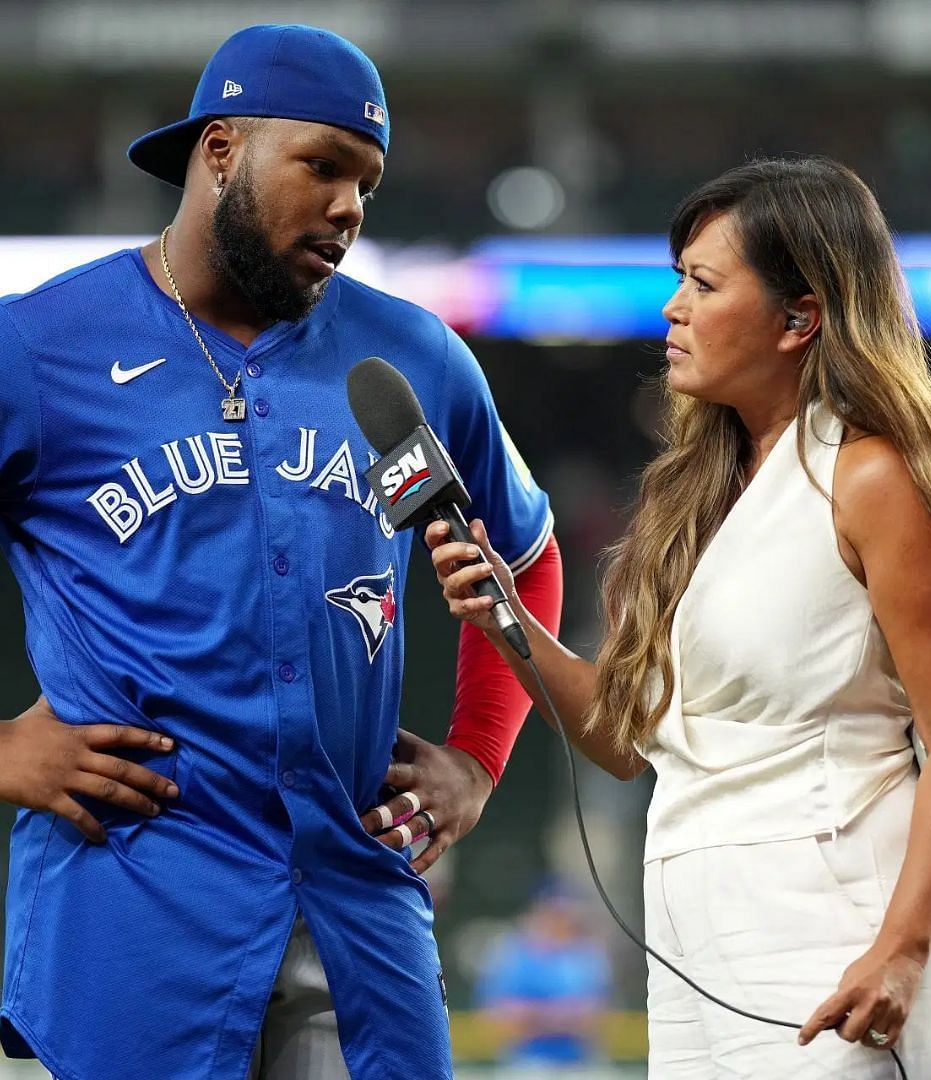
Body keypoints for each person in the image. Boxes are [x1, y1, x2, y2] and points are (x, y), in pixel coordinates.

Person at [0, 24, 563, 1080]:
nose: (351, 206)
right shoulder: (40, 348)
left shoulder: (410, 361)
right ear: (221, 150)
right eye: (324, 166)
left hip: (360, 902)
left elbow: (521, 553)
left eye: (370, 184)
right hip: (137, 907)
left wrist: (480, 758)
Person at [426, 156, 931, 1078]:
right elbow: (633, 743)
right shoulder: (699, 495)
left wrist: (905, 947)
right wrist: (504, 618)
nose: (672, 306)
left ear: (802, 318)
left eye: (704, 283)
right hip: (691, 958)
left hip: (830, 942)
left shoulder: (871, 476)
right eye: (678, 279)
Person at [478, 879, 616, 1076]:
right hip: (526, 1062)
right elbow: (502, 1017)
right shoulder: (513, 953)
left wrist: (537, 1016)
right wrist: (562, 1017)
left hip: (580, 1062)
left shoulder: (587, 954)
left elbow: (596, 1017)